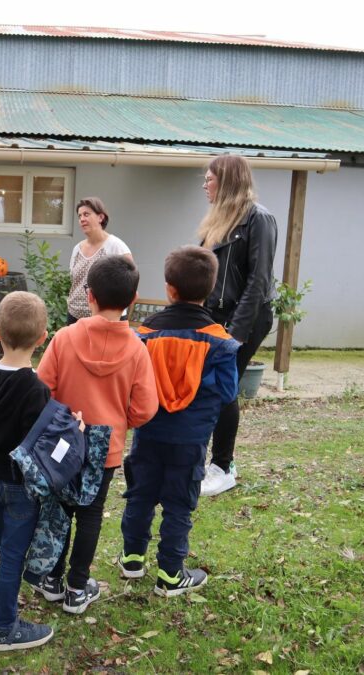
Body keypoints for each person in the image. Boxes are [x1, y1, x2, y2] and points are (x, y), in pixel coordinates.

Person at [30, 255, 158, 614]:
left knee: (58, 510)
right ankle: (77, 586)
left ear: (90, 296)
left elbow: (42, 390)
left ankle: (52, 579)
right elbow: (146, 408)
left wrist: (61, 418)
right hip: (107, 446)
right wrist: (120, 422)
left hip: (61, 443)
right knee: (90, 513)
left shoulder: (65, 338)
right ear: (132, 299)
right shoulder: (136, 348)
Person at [120, 246, 240, 596]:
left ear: (169, 288)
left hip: (149, 432)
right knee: (178, 504)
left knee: (140, 495)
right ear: (210, 290)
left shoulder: (143, 334)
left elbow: (131, 383)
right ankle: (171, 574)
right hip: (190, 440)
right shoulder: (221, 342)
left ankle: (131, 559)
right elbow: (227, 392)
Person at [0, 291, 55, 651]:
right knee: (13, 552)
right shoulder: (36, 389)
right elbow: (36, 442)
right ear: (42, 338)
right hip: (20, 484)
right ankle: (4, 628)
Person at [198, 155, 278, 497]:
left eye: (210, 179)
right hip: (215, 316)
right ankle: (212, 462)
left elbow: (258, 281)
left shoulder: (259, 219)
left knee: (223, 387)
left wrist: (235, 332)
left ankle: (223, 466)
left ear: (227, 180)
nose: (204, 185)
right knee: (211, 387)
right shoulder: (218, 220)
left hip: (245, 317)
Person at [66, 197, 133, 325]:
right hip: (75, 318)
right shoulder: (77, 249)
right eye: (79, 216)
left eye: (86, 214)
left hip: (106, 321)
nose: (82, 219)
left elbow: (130, 281)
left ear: (100, 217)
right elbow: (74, 283)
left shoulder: (116, 246)